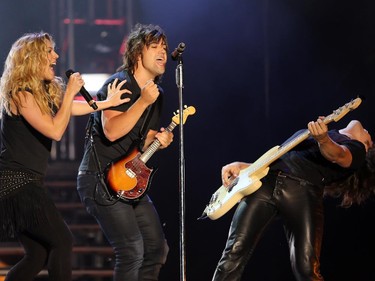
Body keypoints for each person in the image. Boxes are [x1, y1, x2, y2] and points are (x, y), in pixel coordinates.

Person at [0, 32, 129, 281]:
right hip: (16, 183)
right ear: (33, 58)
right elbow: (56, 130)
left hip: (25, 182)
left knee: (37, 255)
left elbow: (72, 108)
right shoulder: (21, 94)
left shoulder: (38, 92)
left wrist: (106, 104)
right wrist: (70, 91)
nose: (56, 56)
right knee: (62, 242)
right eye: (49, 51)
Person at [212, 118, 375, 281]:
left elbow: (339, 155)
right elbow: (283, 159)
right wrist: (243, 166)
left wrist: (324, 140)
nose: (368, 135)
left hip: (302, 193)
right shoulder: (323, 134)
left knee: (306, 270)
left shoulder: (357, 150)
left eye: (369, 142)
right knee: (233, 253)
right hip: (266, 183)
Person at [76, 23, 173, 280]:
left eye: (164, 46)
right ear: (137, 54)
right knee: (131, 250)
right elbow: (112, 131)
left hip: (127, 179)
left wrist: (160, 138)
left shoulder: (156, 94)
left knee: (156, 248)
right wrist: (142, 101)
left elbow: (141, 141)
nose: (163, 51)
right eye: (155, 47)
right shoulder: (118, 84)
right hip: (98, 179)